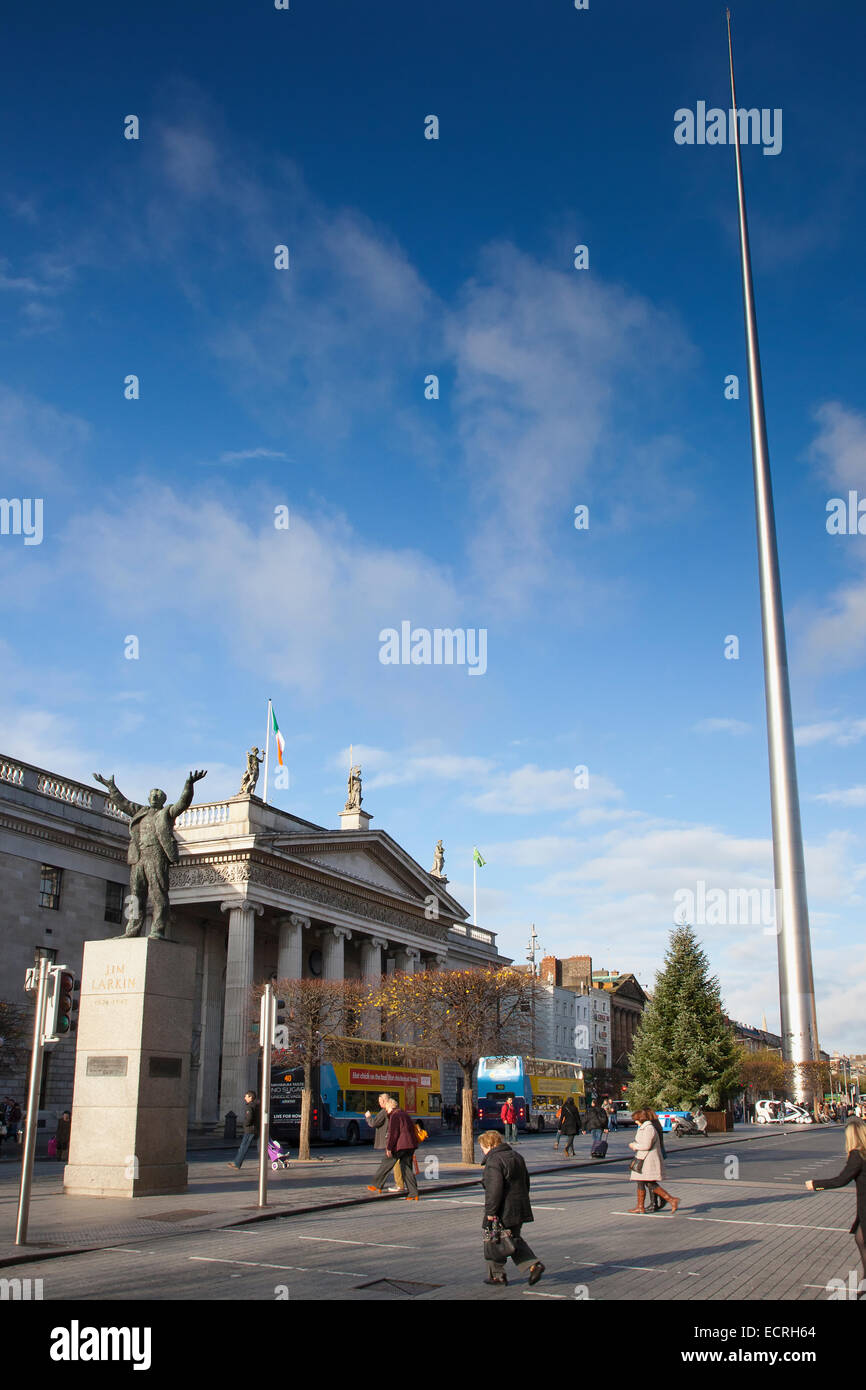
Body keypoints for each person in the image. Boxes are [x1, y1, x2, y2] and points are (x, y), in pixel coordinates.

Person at [805, 1117, 866, 1298]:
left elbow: (841, 1180)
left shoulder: (857, 1155)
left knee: (862, 1240)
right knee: (860, 1238)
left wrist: (816, 1184)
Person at [479, 1130, 544, 1287]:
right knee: (511, 1238)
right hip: (519, 1206)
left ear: (490, 1144)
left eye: (483, 1147)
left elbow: (494, 1189)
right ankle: (505, 1273)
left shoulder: (494, 1161)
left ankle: (500, 1275)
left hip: (503, 1209)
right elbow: (526, 1182)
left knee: (494, 1239)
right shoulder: (517, 1156)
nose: (482, 1150)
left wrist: (490, 1212)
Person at [628, 1108, 680, 1215]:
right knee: (641, 1182)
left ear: (641, 1119)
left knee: (649, 1183)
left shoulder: (648, 1128)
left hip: (647, 1160)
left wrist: (634, 1146)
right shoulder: (645, 1127)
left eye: (636, 1119)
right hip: (643, 1159)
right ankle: (640, 1206)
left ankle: (671, 1199)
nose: (635, 1121)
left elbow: (646, 1145)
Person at [365, 1093, 403, 1192]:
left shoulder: (385, 1112)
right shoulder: (398, 1111)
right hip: (397, 1142)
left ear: (385, 1101)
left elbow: (373, 1123)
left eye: (380, 1102)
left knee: (389, 1164)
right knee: (394, 1163)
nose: (379, 1104)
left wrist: (368, 1117)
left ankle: (396, 1185)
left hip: (391, 1142)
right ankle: (382, 1185)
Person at [227, 1091, 260, 1169]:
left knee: (243, 1146)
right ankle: (261, 1165)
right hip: (256, 1128)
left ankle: (237, 1163)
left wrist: (245, 1124)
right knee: (260, 1147)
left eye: (246, 1096)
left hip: (250, 1129)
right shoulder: (256, 1106)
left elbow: (249, 1118)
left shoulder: (249, 1106)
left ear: (250, 1097)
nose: (245, 1097)